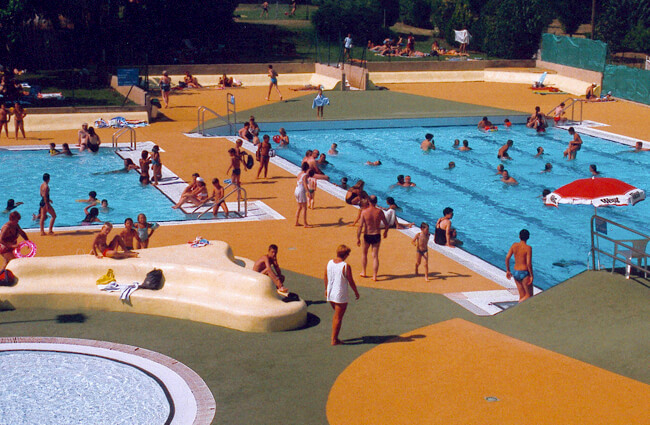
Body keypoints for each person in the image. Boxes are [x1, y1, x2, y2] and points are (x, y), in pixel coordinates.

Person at [324, 244, 359, 345]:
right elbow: (351, 281)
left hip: (330, 293)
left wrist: (326, 289)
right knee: (338, 317)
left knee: (336, 316)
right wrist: (356, 292)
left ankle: (334, 338)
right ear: (345, 254)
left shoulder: (330, 263)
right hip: (340, 294)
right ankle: (334, 339)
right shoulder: (345, 266)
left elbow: (325, 276)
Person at [357, 195, 389, 281]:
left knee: (364, 254)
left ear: (369, 201)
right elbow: (386, 224)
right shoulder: (379, 212)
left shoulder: (364, 212)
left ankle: (364, 272)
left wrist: (358, 238)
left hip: (367, 234)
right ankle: (374, 276)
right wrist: (385, 232)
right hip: (376, 234)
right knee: (375, 256)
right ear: (376, 202)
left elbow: (360, 226)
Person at [505, 229, 534, 302]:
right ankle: (516, 306)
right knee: (529, 296)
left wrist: (508, 270)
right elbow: (528, 263)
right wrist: (531, 275)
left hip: (515, 272)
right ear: (528, 237)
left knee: (522, 296)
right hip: (524, 273)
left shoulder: (514, 245)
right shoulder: (528, 248)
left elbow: (507, 257)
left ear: (519, 236)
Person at [294, 162, 311, 227]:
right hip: (301, 191)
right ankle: (305, 223)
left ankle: (296, 221)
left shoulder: (299, 173)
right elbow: (305, 184)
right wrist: (308, 192)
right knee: (304, 208)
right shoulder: (305, 175)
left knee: (299, 207)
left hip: (297, 189)